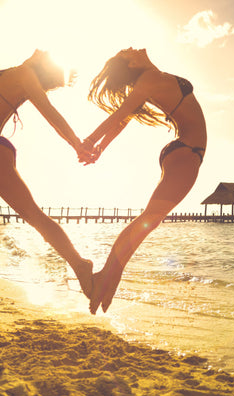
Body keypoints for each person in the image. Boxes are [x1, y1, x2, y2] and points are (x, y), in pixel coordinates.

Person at [83, 48, 207, 314]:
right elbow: (119, 116)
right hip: (187, 152)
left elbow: (123, 120)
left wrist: (100, 148)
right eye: (125, 51)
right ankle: (108, 275)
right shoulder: (148, 80)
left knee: (148, 220)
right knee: (149, 220)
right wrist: (92, 141)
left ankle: (108, 276)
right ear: (131, 62)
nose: (130, 47)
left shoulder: (151, 77)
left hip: (183, 151)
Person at [0, 49, 94, 298]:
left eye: (45, 54)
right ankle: (77, 263)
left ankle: (79, 264)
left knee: (33, 215)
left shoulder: (26, 75)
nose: (40, 50)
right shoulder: (22, 73)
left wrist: (76, 144)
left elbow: (50, 113)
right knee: (32, 215)